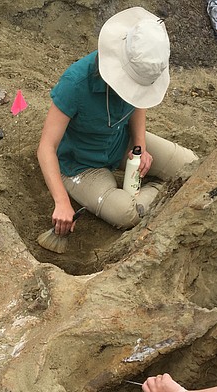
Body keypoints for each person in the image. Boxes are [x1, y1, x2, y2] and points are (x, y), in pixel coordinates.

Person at [37, 7, 199, 235]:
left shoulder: (141, 73)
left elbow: (137, 100)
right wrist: (62, 201)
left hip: (119, 143)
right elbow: (46, 147)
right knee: (125, 212)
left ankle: (167, 190)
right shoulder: (75, 83)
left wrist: (139, 145)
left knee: (192, 165)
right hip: (80, 166)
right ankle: (170, 191)